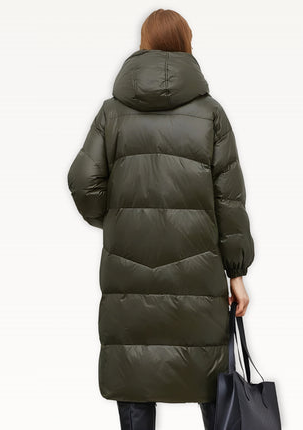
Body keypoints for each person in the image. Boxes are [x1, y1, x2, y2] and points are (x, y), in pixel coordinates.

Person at [67, 8, 254, 430]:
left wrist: (117, 219)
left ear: (144, 44)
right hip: (199, 278)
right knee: (212, 381)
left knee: (135, 377)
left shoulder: (112, 113)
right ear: (187, 45)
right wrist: (237, 274)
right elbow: (230, 202)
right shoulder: (211, 114)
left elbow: (82, 182)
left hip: (128, 276)